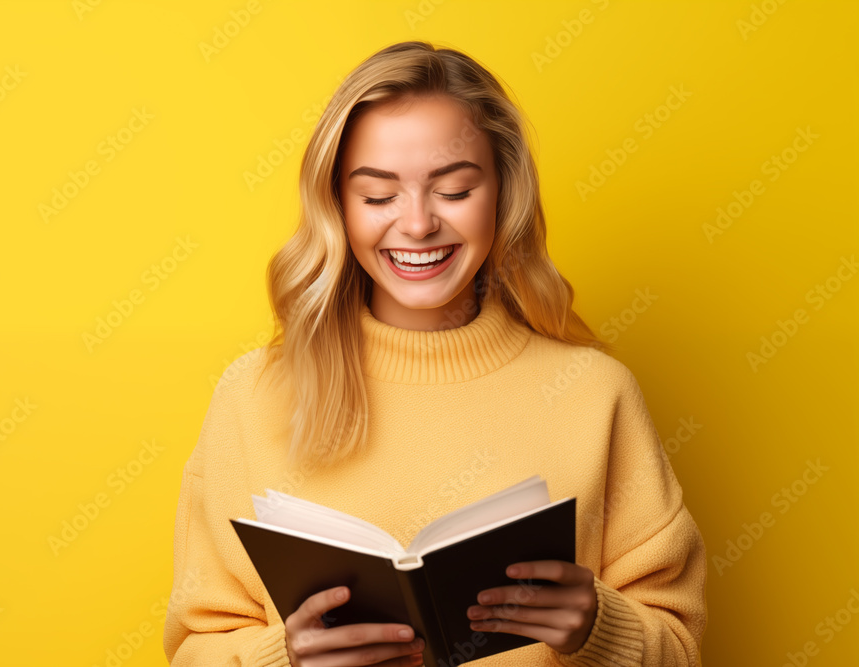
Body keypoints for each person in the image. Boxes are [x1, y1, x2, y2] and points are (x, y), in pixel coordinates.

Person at [163, 40, 707, 666]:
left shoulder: (596, 392)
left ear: (502, 194)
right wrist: (284, 659)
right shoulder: (250, 397)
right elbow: (194, 649)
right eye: (378, 196)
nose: (418, 224)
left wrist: (597, 629)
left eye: (453, 190)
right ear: (338, 205)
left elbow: (681, 649)